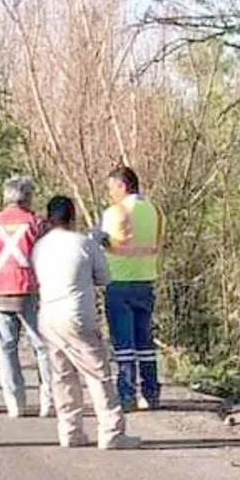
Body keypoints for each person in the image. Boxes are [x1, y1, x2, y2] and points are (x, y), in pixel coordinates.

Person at [32, 195, 139, 448]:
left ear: (48, 218)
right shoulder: (84, 244)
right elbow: (104, 278)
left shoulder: (39, 246)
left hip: (47, 315)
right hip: (77, 315)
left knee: (62, 374)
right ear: (73, 216)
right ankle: (111, 432)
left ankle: (70, 430)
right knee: (97, 373)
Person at [0, 175, 53, 418]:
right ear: (27, 197)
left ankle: (15, 402)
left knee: (7, 348)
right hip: (29, 289)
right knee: (41, 346)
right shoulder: (37, 223)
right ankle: (48, 400)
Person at [97, 166, 164, 411]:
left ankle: (126, 394)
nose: (110, 193)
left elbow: (106, 242)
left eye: (111, 188)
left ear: (123, 186)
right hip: (146, 281)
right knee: (145, 341)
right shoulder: (155, 211)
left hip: (120, 282)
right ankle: (151, 392)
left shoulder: (116, 212)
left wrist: (96, 237)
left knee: (123, 344)